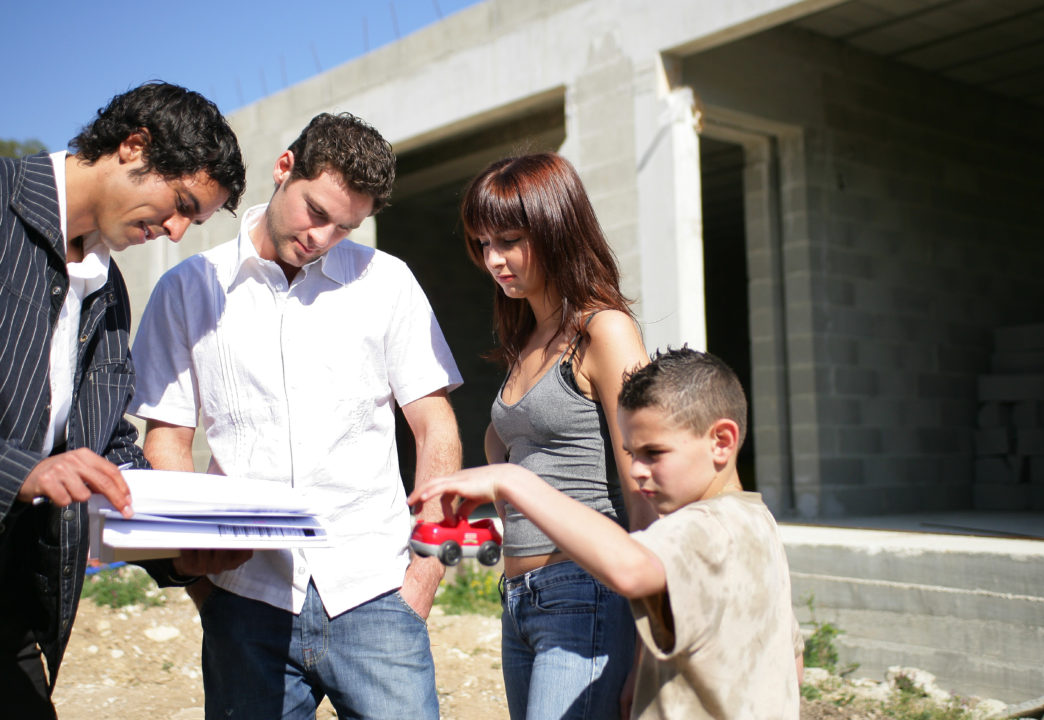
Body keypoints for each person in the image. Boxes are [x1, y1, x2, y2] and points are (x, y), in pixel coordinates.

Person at [130, 112, 462, 720]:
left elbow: (434, 426)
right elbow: (169, 439)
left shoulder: (387, 282)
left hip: (376, 589)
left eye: (346, 227)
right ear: (285, 168)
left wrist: (425, 572)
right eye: (316, 211)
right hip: (244, 598)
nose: (323, 237)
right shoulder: (187, 289)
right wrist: (201, 583)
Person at [0, 81, 246, 718]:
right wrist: (22, 472)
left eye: (192, 222)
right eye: (180, 205)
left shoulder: (108, 293)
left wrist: (179, 543)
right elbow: (46, 469)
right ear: (134, 146)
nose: (172, 232)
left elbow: (105, 447)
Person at [411, 347, 802, 719]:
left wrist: (514, 482)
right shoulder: (756, 522)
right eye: (631, 454)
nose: (636, 471)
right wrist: (643, 668)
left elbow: (631, 569)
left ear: (722, 441)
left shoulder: (703, 526)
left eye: (654, 453)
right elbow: (791, 657)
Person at [458, 152, 652, 719]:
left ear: (557, 228)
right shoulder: (529, 337)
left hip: (585, 591)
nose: (494, 259)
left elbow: (642, 489)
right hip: (518, 599)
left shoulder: (605, 329)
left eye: (510, 240)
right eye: (481, 244)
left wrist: (648, 637)